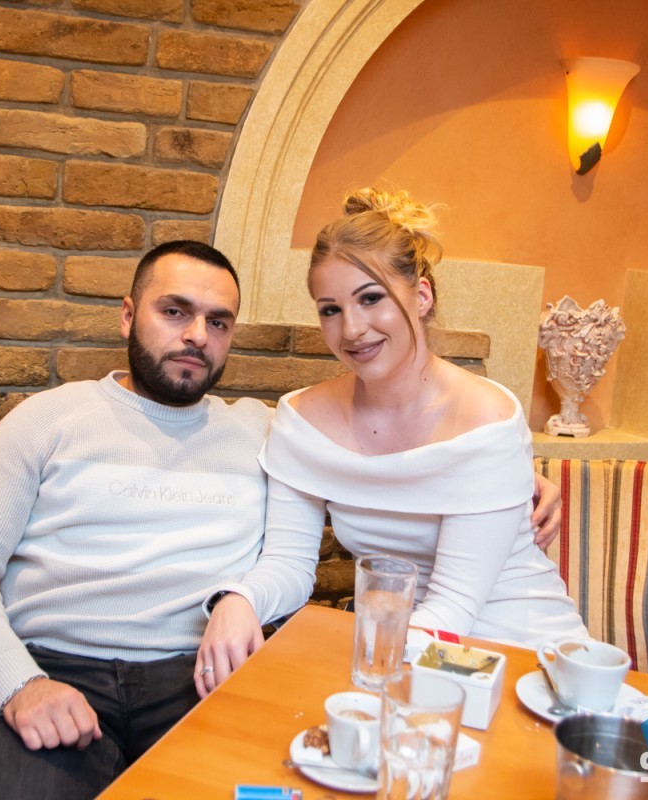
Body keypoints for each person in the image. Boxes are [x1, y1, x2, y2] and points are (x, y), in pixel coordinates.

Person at [0, 239, 563, 799]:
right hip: (57, 673)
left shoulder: (266, 430)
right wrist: (20, 685)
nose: (198, 334)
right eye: (175, 312)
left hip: (200, 677)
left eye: (218, 321)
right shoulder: (48, 419)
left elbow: (383, 462)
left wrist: (511, 476)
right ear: (128, 315)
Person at [196, 189, 588, 697]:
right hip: (406, 652)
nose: (352, 329)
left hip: (522, 655)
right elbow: (289, 565)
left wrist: (371, 671)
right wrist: (239, 599)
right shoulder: (303, 420)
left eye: (371, 298)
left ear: (421, 296)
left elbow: (453, 605)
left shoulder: (486, 419)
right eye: (330, 309)